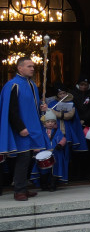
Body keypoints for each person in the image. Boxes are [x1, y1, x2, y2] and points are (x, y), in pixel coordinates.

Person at [1, 56, 47, 201]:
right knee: (23, 158)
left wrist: (42, 108)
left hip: (33, 128)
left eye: (33, 66)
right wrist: (20, 128)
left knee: (31, 158)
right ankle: (19, 190)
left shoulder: (33, 85)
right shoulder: (13, 85)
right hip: (22, 130)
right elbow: (11, 110)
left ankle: (24, 188)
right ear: (20, 68)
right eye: (29, 66)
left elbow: (32, 107)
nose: (33, 68)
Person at [70, 73, 90, 178]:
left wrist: (84, 119)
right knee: (76, 148)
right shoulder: (72, 94)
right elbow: (71, 107)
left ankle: (89, 172)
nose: (84, 87)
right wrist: (78, 119)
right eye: (82, 84)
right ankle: (76, 173)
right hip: (76, 124)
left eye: (86, 85)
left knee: (89, 148)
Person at [32, 109, 66, 191]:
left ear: (55, 123)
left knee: (54, 170)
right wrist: (36, 149)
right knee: (44, 170)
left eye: (52, 121)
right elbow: (37, 141)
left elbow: (63, 139)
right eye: (48, 122)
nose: (50, 123)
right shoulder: (41, 132)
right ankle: (44, 185)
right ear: (44, 123)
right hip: (44, 153)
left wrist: (60, 144)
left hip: (56, 154)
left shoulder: (58, 131)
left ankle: (53, 185)